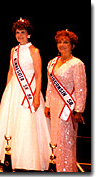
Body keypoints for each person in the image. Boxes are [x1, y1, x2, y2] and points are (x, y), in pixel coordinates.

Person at [0, 18, 51, 171]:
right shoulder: (13, 51)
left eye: (23, 32)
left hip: (29, 91)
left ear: (29, 34)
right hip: (14, 90)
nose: (20, 35)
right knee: (12, 123)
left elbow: (39, 75)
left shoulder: (34, 51)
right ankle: (10, 158)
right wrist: (8, 92)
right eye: (17, 33)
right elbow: (10, 71)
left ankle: (28, 160)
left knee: (27, 124)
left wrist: (36, 96)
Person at [45, 30, 87, 172]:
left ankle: (67, 170)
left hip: (68, 108)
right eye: (59, 42)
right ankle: (55, 168)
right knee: (55, 140)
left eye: (65, 42)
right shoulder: (52, 62)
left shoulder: (77, 64)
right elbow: (50, 85)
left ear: (72, 46)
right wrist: (47, 105)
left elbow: (81, 88)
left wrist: (79, 110)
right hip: (55, 106)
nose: (62, 45)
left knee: (66, 141)